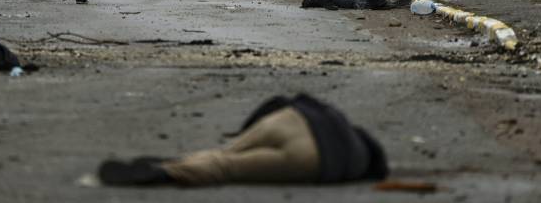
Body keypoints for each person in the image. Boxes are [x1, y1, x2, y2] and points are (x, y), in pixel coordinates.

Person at [98, 93, 388, 186]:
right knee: (228, 167)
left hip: (290, 119)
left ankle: (192, 158)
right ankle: (169, 171)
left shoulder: (338, 118)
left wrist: (244, 131)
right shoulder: (357, 163)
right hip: (312, 156)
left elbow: (280, 101)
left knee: (226, 152)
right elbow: (333, 173)